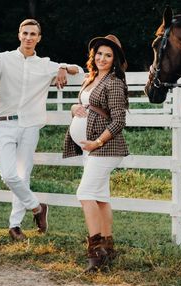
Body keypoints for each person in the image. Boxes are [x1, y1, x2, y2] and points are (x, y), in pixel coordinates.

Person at [0, 18, 82, 241]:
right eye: (25, 33)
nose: (28, 37)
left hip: (30, 125)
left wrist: (61, 67)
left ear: (39, 38)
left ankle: (15, 225)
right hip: (5, 123)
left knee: (23, 174)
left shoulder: (46, 65)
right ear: (19, 35)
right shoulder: (3, 59)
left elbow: (79, 70)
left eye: (33, 34)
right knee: (8, 174)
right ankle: (38, 208)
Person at [63, 34, 129, 272]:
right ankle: (109, 247)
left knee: (85, 193)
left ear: (115, 59)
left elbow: (119, 120)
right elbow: (86, 105)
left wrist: (97, 142)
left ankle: (96, 251)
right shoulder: (91, 78)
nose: (102, 58)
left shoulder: (114, 82)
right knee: (100, 197)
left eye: (108, 55)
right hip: (90, 148)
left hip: (105, 148)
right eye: (99, 53)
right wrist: (73, 107)